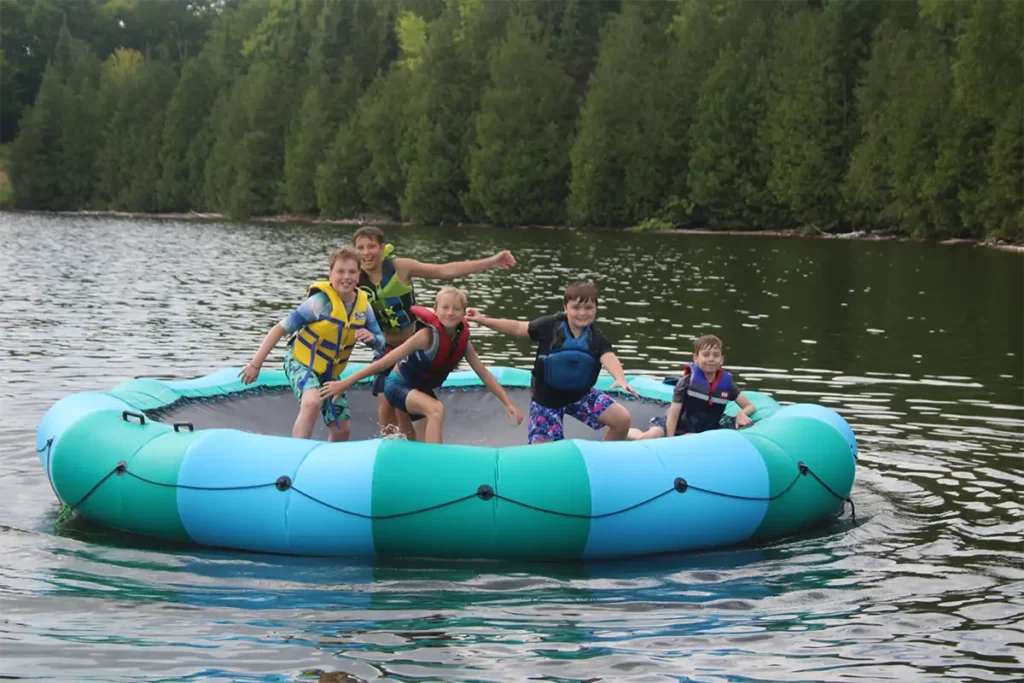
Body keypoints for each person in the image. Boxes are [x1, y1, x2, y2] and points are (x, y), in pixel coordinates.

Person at [352, 225, 516, 438]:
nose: (366, 253)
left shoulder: (400, 267)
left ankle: (412, 449)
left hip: (413, 347)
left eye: (371, 246)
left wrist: (491, 262)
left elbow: (444, 270)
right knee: (385, 405)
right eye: (360, 248)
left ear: (382, 248)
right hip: (385, 346)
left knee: (405, 411)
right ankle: (387, 449)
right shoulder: (354, 278)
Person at [321, 287, 523, 444]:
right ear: (435, 310)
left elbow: (483, 373)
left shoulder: (464, 343)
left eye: (456, 308)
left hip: (421, 391)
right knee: (436, 410)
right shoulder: (425, 336)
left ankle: (422, 467)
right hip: (397, 386)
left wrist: (507, 402)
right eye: (445, 307)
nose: (450, 312)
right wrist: (344, 383)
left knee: (421, 441)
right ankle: (433, 467)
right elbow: (386, 361)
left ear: (464, 313)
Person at [240, 247, 385, 442]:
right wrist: (255, 365)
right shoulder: (320, 302)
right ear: (330, 275)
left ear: (359, 276)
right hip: (300, 361)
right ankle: (296, 455)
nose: (346, 277)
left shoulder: (363, 306)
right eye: (340, 271)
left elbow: (382, 344)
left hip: (330, 372)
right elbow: (280, 329)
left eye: (352, 272)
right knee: (311, 402)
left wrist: (372, 338)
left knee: (342, 428)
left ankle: (328, 464)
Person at [465, 281, 637, 444]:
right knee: (546, 452)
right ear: (565, 308)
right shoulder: (550, 326)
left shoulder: (596, 337)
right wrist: (483, 320)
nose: (582, 313)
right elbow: (517, 327)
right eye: (576, 307)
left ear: (596, 309)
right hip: (546, 400)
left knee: (622, 420)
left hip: (580, 396)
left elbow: (609, 357)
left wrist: (620, 378)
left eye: (588, 308)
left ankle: (603, 457)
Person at [628, 334, 755, 440]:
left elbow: (750, 406)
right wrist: (670, 441)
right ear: (695, 358)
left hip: (702, 430)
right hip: (674, 426)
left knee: (692, 437)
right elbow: (673, 414)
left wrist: (741, 413)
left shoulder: (727, 384)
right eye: (706, 355)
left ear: (721, 359)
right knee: (651, 435)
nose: (711, 359)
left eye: (715, 355)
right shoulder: (686, 382)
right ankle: (631, 432)